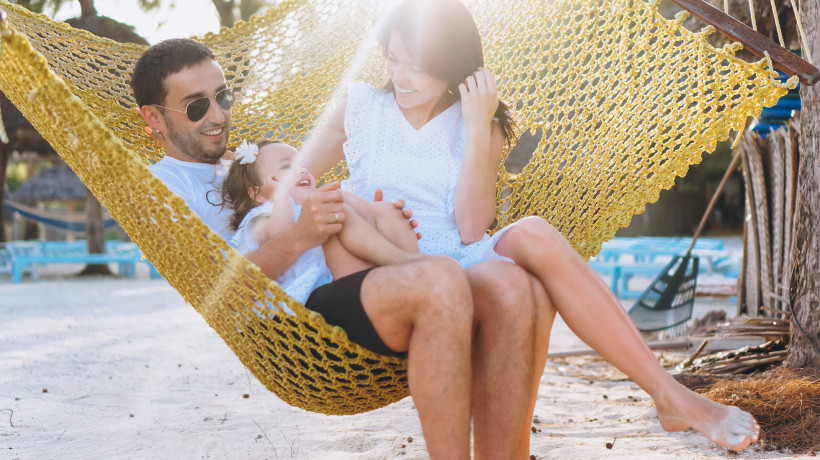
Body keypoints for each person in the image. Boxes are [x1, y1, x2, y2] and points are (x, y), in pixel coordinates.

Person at [299, 0, 761, 456]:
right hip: (390, 262)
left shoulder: (479, 120)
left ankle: (667, 394)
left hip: (457, 256)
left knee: (535, 233)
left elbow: (470, 227)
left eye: (417, 67)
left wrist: (479, 126)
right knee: (530, 289)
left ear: (453, 65)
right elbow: (292, 182)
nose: (400, 77)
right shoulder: (360, 107)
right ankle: (666, 396)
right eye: (392, 58)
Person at [131, 37, 546, 458]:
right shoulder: (161, 188)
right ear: (154, 118)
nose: (219, 115)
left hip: (351, 280)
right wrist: (302, 235)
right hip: (300, 324)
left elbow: (314, 180)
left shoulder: (248, 163)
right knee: (439, 279)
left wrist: (375, 212)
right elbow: (215, 289)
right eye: (197, 106)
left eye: (224, 96)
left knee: (512, 283)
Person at [221, 138, 420, 288]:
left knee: (383, 209)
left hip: (350, 270)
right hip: (320, 290)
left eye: (301, 164)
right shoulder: (262, 216)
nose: (301, 171)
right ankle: (405, 263)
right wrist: (281, 196)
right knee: (335, 210)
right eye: (287, 167)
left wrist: (378, 218)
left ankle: (417, 267)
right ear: (258, 193)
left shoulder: (319, 201)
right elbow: (275, 236)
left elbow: (364, 215)